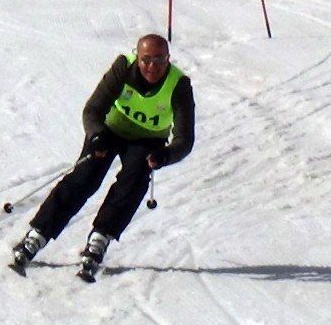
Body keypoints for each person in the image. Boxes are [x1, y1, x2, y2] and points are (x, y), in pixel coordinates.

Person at [12, 34, 195, 276]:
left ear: (168, 59)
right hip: (109, 130)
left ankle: (100, 238)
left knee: (133, 181)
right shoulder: (124, 67)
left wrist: (165, 155)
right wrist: (97, 134)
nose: (152, 67)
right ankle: (37, 234)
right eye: (146, 59)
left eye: (159, 60)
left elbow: (185, 140)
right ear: (138, 57)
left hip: (147, 139)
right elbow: (93, 108)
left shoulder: (179, 84)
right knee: (84, 177)